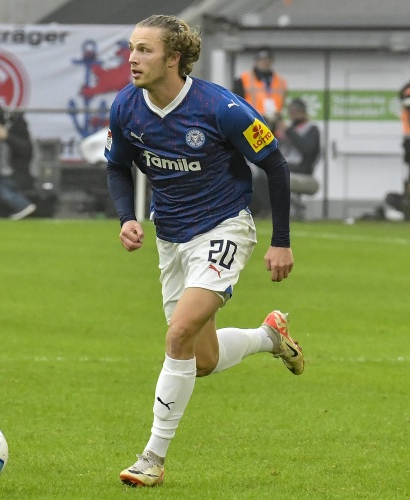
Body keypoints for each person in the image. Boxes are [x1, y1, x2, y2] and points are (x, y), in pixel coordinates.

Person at [105, 14, 304, 488]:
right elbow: (116, 166)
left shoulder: (222, 109)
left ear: (173, 58)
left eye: (145, 50)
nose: (132, 58)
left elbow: (276, 165)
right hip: (171, 238)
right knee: (202, 360)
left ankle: (152, 458)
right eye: (131, 48)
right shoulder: (127, 107)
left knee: (178, 335)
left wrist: (281, 241)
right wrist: (127, 217)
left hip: (224, 228)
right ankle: (269, 337)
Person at [232, 47, 288, 133]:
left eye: (267, 60)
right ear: (256, 61)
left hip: (274, 124)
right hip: (252, 123)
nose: (265, 63)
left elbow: (282, 102)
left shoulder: (280, 81)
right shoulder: (243, 79)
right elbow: (236, 104)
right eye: (262, 60)